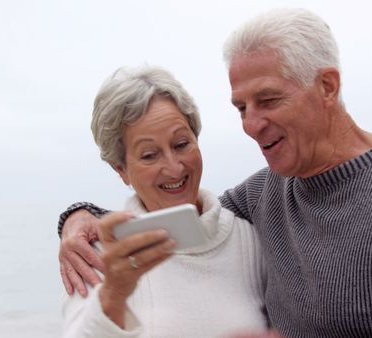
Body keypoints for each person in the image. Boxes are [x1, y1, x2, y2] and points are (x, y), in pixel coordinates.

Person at [57, 8, 372, 337]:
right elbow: (182, 216)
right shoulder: (263, 197)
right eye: (241, 107)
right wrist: (78, 217)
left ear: (328, 87)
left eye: (267, 100)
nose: (251, 125)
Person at [62, 65, 269, 337]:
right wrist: (114, 292)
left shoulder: (251, 238)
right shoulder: (99, 256)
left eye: (182, 144)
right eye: (149, 155)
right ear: (121, 170)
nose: (174, 168)